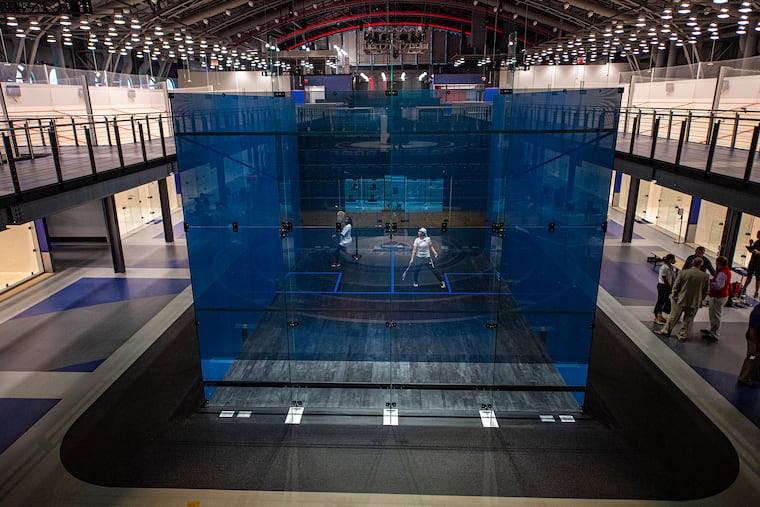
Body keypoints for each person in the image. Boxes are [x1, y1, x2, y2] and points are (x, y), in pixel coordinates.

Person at [655, 256, 709, 341]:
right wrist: (700, 299)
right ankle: (682, 335)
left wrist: (675, 296)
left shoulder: (683, 273)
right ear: (701, 265)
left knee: (673, 317)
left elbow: (676, 286)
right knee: (688, 320)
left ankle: (666, 331)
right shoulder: (705, 276)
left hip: (680, 299)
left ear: (692, 263)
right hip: (694, 301)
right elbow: (706, 291)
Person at [700, 256, 731, 341]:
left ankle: (714, 334)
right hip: (717, 296)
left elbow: (718, 286)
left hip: (719, 297)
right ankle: (712, 330)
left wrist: (709, 282)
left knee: (716, 315)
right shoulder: (723, 270)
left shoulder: (722, 273)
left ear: (718, 263)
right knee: (712, 314)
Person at [738, 303, 760, 387]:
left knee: (758, 358)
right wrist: (757, 344)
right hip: (754, 340)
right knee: (752, 357)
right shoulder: (757, 313)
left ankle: (755, 374)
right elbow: (753, 331)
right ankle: (744, 377)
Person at [653, 253, 677, 324]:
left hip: (667, 286)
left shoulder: (670, 267)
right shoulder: (664, 267)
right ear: (670, 260)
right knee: (660, 301)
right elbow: (665, 279)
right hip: (663, 286)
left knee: (663, 301)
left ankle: (660, 314)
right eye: (673, 259)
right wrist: (670, 287)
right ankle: (656, 316)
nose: (674, 261)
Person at [742, 230, 760, 299]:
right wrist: (750, 245)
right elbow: (751, 250)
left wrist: (756, 251)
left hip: (758, 263)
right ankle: (744, 288)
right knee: (749, 276)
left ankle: (756, 292)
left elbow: (757, 251)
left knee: (758, 278)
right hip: (753, 261)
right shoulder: (757, 242)